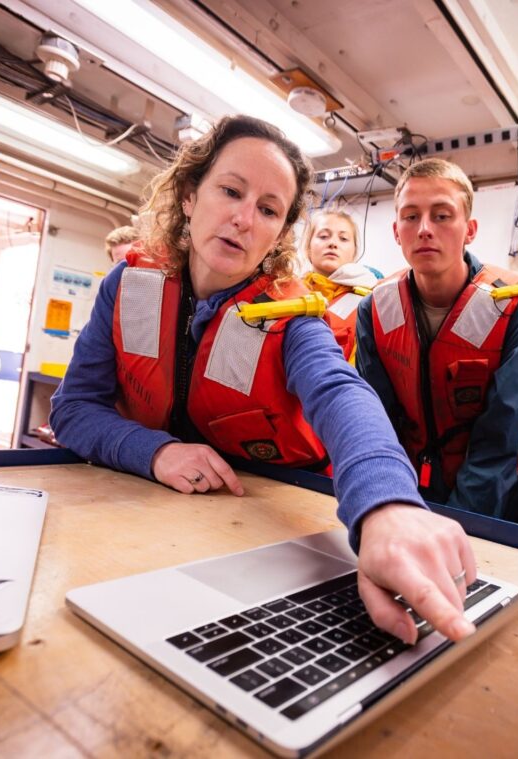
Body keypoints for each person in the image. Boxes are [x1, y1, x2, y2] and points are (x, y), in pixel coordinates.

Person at [51, 115, 476, 645]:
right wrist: (156, 452)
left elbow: (341, 394)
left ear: (280, 231)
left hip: (271, 520)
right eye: (231, 191)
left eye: (269, 209)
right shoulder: (128, 283)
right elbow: (72, 409)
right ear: (189, 195)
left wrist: (386, 505)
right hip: (156, 515)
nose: (243, 219)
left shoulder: (290, 314)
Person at [356, 158, 518, 519]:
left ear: (470, 229)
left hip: (485, 500)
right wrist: (391, 506)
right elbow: (376, 420)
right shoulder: (374, 310)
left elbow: (497, 444)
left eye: (442, 215)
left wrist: (457, 524)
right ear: (396, 231)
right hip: (403, 490)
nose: (425, 229)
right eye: (411, 216)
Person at [301, 209, 377, 361]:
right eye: (323, 236)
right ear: (308, 248)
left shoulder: (371, 303)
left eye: (343, 238)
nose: (333, 243)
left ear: (354, 252)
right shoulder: (285, 295)